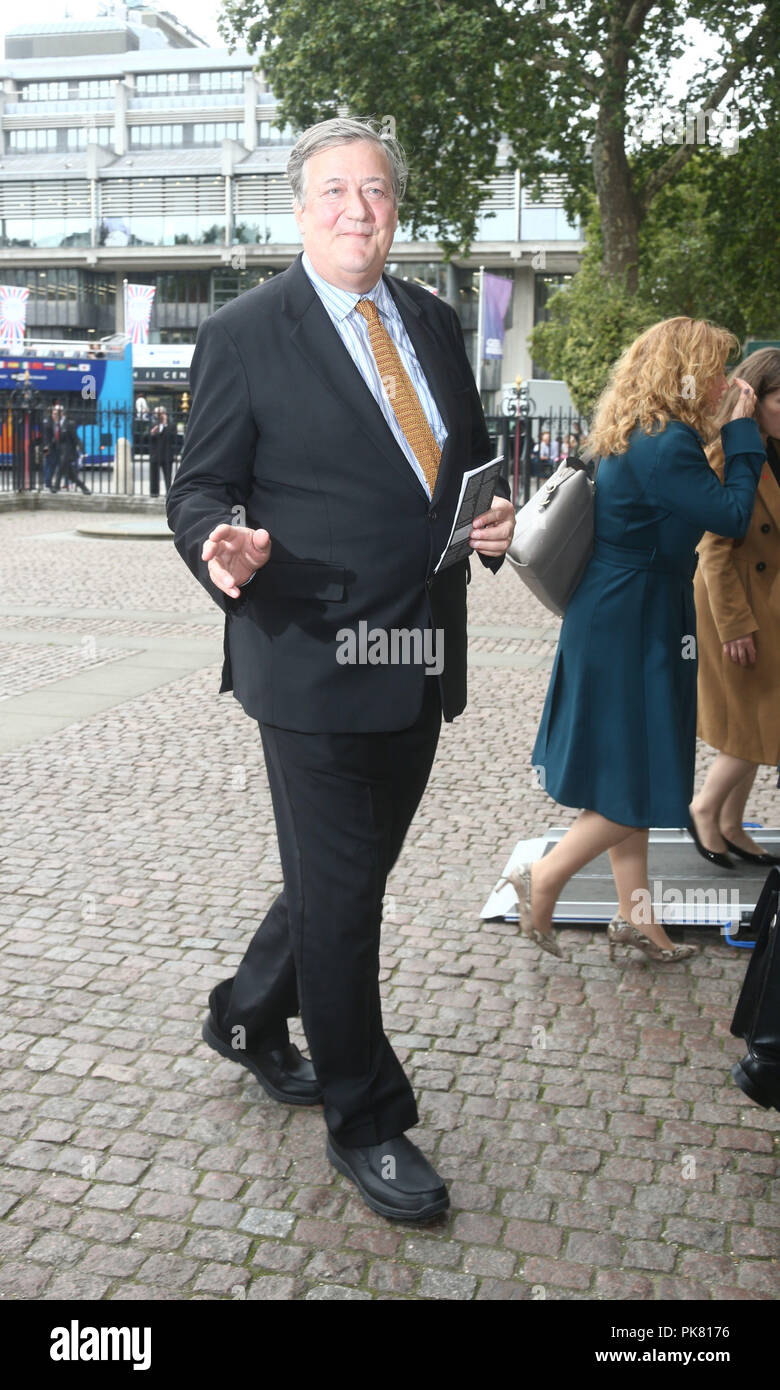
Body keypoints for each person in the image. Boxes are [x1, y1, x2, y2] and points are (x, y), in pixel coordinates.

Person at [166, 117, 515, 1222]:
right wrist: (220, 538)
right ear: (299, 207)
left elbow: (459, 464)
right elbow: (199, 486)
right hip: (308, 660)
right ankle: (365, 1117)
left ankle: (246, 1013)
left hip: (418, 652)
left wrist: (492, 522)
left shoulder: (431, 317)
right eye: (333, 191)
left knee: (336, 877)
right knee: (349, 893)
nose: (357, 208)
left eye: (374, 190)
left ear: (394, 208)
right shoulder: (245, 332)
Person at [500, 316, 765, 963]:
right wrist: (741, 430)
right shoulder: (668, 442)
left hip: (621, 609)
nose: (727, 381)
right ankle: (547, 877)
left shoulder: (636, 431)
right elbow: (731, 513)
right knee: (646, 780)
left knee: (626, 773)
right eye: (717, 369)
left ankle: (635, 917)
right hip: (637, 615)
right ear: (688, 374)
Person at [689, 349, 780, 867]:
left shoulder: (773, 447)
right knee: (756, 721)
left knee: (758, 721)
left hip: (765, 602)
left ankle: (730, 822)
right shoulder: (731, 450)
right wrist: (735, 626)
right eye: (779, 399)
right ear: (755, 396)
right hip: (735, 602)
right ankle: (705, 810)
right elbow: (713, 547)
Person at [43, 403, 90, 494]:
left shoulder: (69, 424)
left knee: (60, 468)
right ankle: (84, 488)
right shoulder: (55, 424)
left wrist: (83, 451)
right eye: (53, 413)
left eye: (56, 414)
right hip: (58, 452)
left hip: (68, 453)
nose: (54, 416)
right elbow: (51, 440)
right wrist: (46, 450)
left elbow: (76, 439)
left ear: (62, 414)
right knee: (71, 475)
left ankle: (56, 487)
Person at [148, 407, 176, 496]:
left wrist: (164, 425)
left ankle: (168, 494)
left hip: (167, 455)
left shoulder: (171, 425)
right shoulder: (152, 424)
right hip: (155, 455)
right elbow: (145, 438)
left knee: (168, 477)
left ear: (164, 414)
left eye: (160, 414)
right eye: (156, 413)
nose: (158, 415)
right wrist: (152, 432)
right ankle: (154, 493)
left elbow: (172, 437)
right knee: (154, 477)